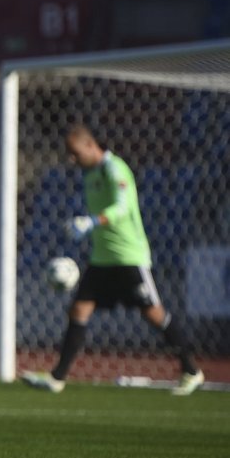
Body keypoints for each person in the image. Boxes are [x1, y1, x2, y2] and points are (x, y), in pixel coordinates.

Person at [21, 125, 204, 396]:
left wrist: (92, 221)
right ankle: (57, 378)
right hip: (101, 259)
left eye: (75, 153)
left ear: (89, 146)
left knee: (154, 314)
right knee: (79, 311)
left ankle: (191, 371)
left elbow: (122, 207)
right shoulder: (90, 174)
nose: (72, 160)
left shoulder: (115, 169)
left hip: (128, 257)